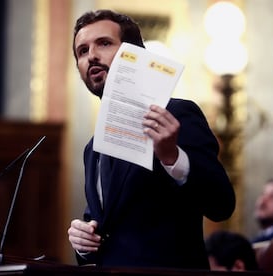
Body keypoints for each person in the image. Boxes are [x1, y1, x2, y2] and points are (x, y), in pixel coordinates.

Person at [67, 9, 235, 269]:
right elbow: (105, 227)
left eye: (104, 43)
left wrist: (173, 157)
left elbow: (221, 204)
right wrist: (84, 242)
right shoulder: (92, 148)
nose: (92, 56)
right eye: (82, 51)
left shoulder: (178, 114)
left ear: (135, 54)